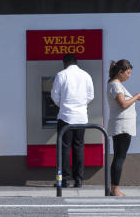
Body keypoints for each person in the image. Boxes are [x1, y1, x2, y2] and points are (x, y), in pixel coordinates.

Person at [51, 53, 95, 188]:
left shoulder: (61, 75)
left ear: (65, 63)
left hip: (65, 117)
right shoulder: (86, 75)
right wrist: (80, 106)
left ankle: (64, 180)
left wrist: (64, 105)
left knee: (65, 148)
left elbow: (54, 96)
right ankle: (79, 180)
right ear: (76, 62)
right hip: (81, 117)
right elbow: (90, 96)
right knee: (79, 148)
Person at [107, 59, 140, 196]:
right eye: (128, 73)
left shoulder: (116, 85)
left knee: (119, 156)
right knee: (119, 157)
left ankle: (114, 188)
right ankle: (115, 189)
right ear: (120, 72)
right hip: (122, 125)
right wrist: (136, 97)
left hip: (122, 124)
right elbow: (123, 104)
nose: (129, 76)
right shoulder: (116, 85)